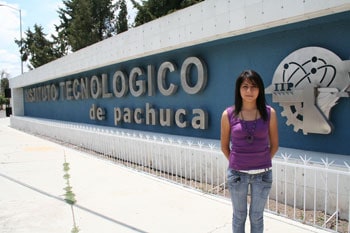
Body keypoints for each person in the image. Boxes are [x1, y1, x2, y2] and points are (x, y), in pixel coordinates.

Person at [220, 70, 279, 233]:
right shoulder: (228, 114)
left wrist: (262, 161)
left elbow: (274, 144)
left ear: (260, 89)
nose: (249, 91)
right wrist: (237, 163)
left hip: (263, 175)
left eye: (253, 86)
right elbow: (224, 146)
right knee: (239, 216)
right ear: (238, 90)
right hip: (238, 175)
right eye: (245, 86)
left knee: (257, 216)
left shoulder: (269, 113)